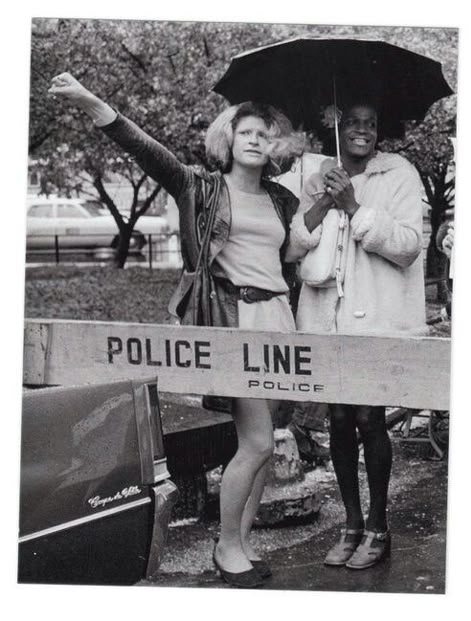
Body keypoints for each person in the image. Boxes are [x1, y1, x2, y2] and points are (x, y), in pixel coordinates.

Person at [49, 72, 303, 588]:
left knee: (263, 442)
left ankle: (243, 542)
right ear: (228, 139)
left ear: (274, 144)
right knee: (255, 443)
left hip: (279, 320)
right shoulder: (202, 188)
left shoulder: (281, 200)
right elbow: (146, 149)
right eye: (245, 130)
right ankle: (227, 547)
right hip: (232, 324)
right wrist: (90, 100)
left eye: (264, 133)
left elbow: (287, 256)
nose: (255, 139)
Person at [287, 101, 427, 569]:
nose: (362, 131)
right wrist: (327, 199)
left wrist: (355, 207)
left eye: (370, 123)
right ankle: (350, 524)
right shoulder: (318, 176)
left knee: (371, 419)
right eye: (353, 123)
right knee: (340, 423)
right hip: (328, 319)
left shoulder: (399, 173)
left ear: (378, 131)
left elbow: (409, 246)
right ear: (338, 127)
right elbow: (294, 245)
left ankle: (378, 526)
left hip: (377, 319)